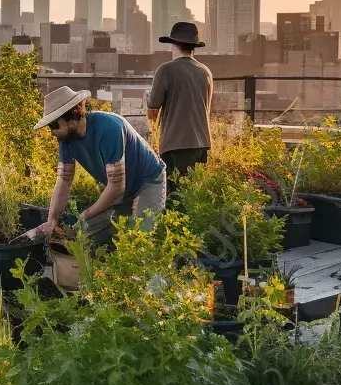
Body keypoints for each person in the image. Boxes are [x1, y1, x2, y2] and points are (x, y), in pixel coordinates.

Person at [31, 86, 166, 246]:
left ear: (71, 118)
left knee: (143, 241)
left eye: (54, 126)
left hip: (148, 180)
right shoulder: (66, 139)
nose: (52, 132)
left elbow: (116, 187)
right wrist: (51, 220)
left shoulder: (109, 128)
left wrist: (84, 215)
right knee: (85, 235)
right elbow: (64, 180)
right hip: (123, 189)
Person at [147, 20, 213, 182]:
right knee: (195, 194)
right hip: (202, 144)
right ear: (194, 46)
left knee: (173, 196)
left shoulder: (166, 70)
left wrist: (154, 134)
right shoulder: (206, 72)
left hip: (175, 145)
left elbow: (153, 106)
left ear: (173, 44)